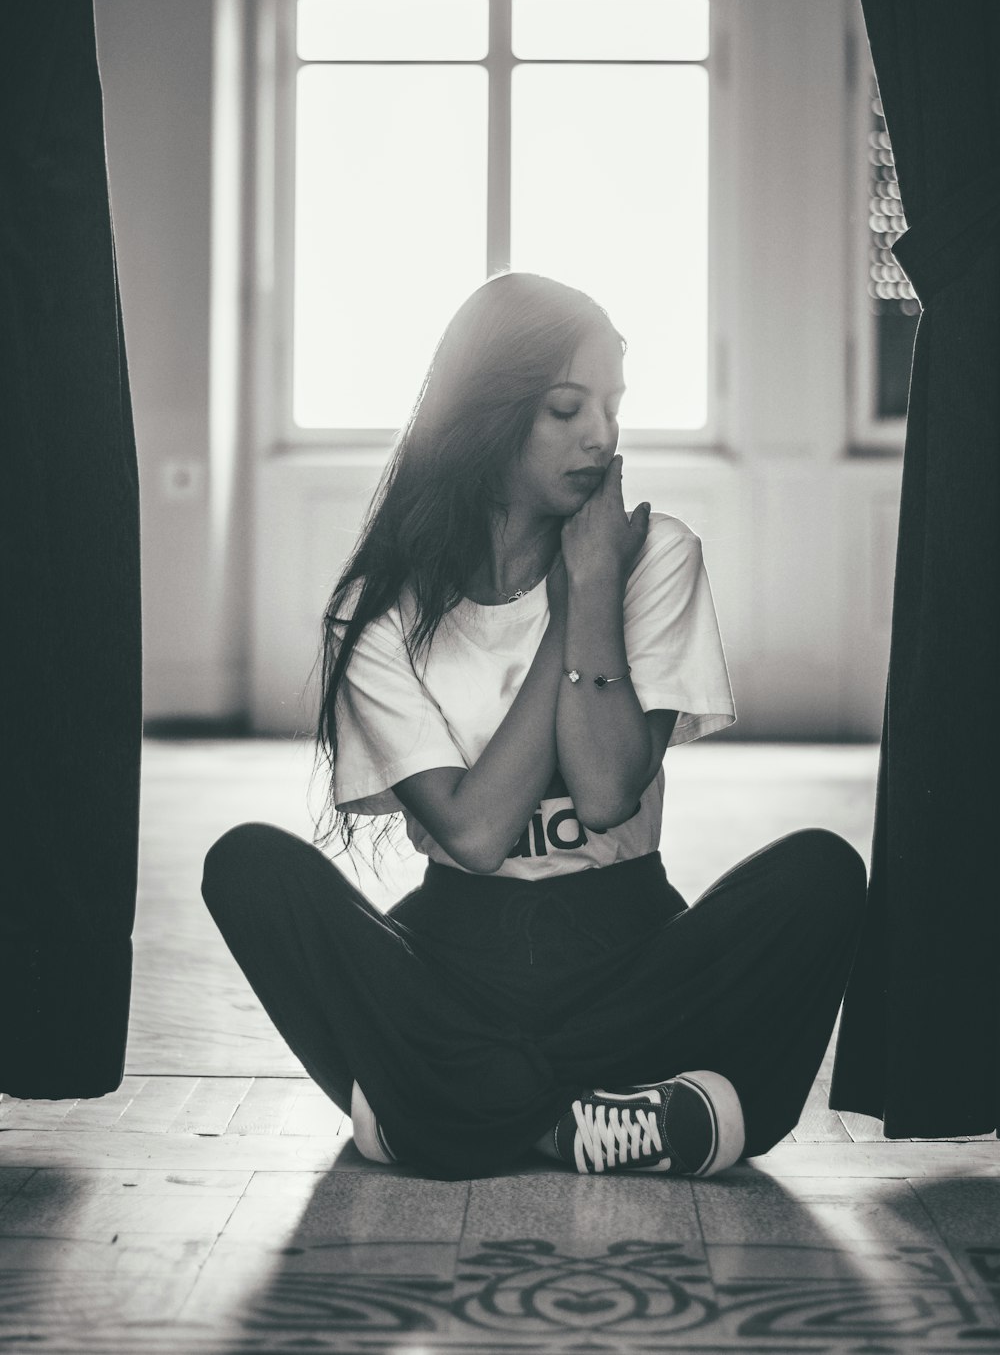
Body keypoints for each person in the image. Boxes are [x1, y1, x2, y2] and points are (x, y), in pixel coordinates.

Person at [203, 271, 866, 1182]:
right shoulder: (380, 613)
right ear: (485, 414)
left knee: (823, 876)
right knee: (246, 867)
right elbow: (472, 836)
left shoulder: (654, 555)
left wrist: (596, 587)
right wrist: (565, 611)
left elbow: (604, 793)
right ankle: (588, 1124)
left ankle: (436, 1109)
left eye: (611, 404)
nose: (602, 433)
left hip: (628, 956)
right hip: (454, 957)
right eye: (566, 407)